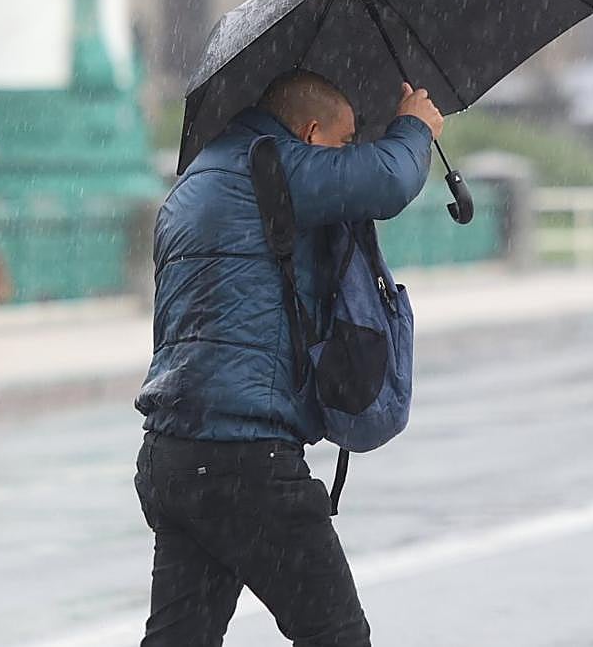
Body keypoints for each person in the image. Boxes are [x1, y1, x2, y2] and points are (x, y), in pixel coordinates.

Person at [134, 69, 444, 646]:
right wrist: (414, 127)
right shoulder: (275, 164)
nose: (350, 154)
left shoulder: (199, 177)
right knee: (336, 635)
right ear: (309, 133)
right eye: (345, 141)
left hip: (171, 456)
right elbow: (389, 180)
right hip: (245, 459)